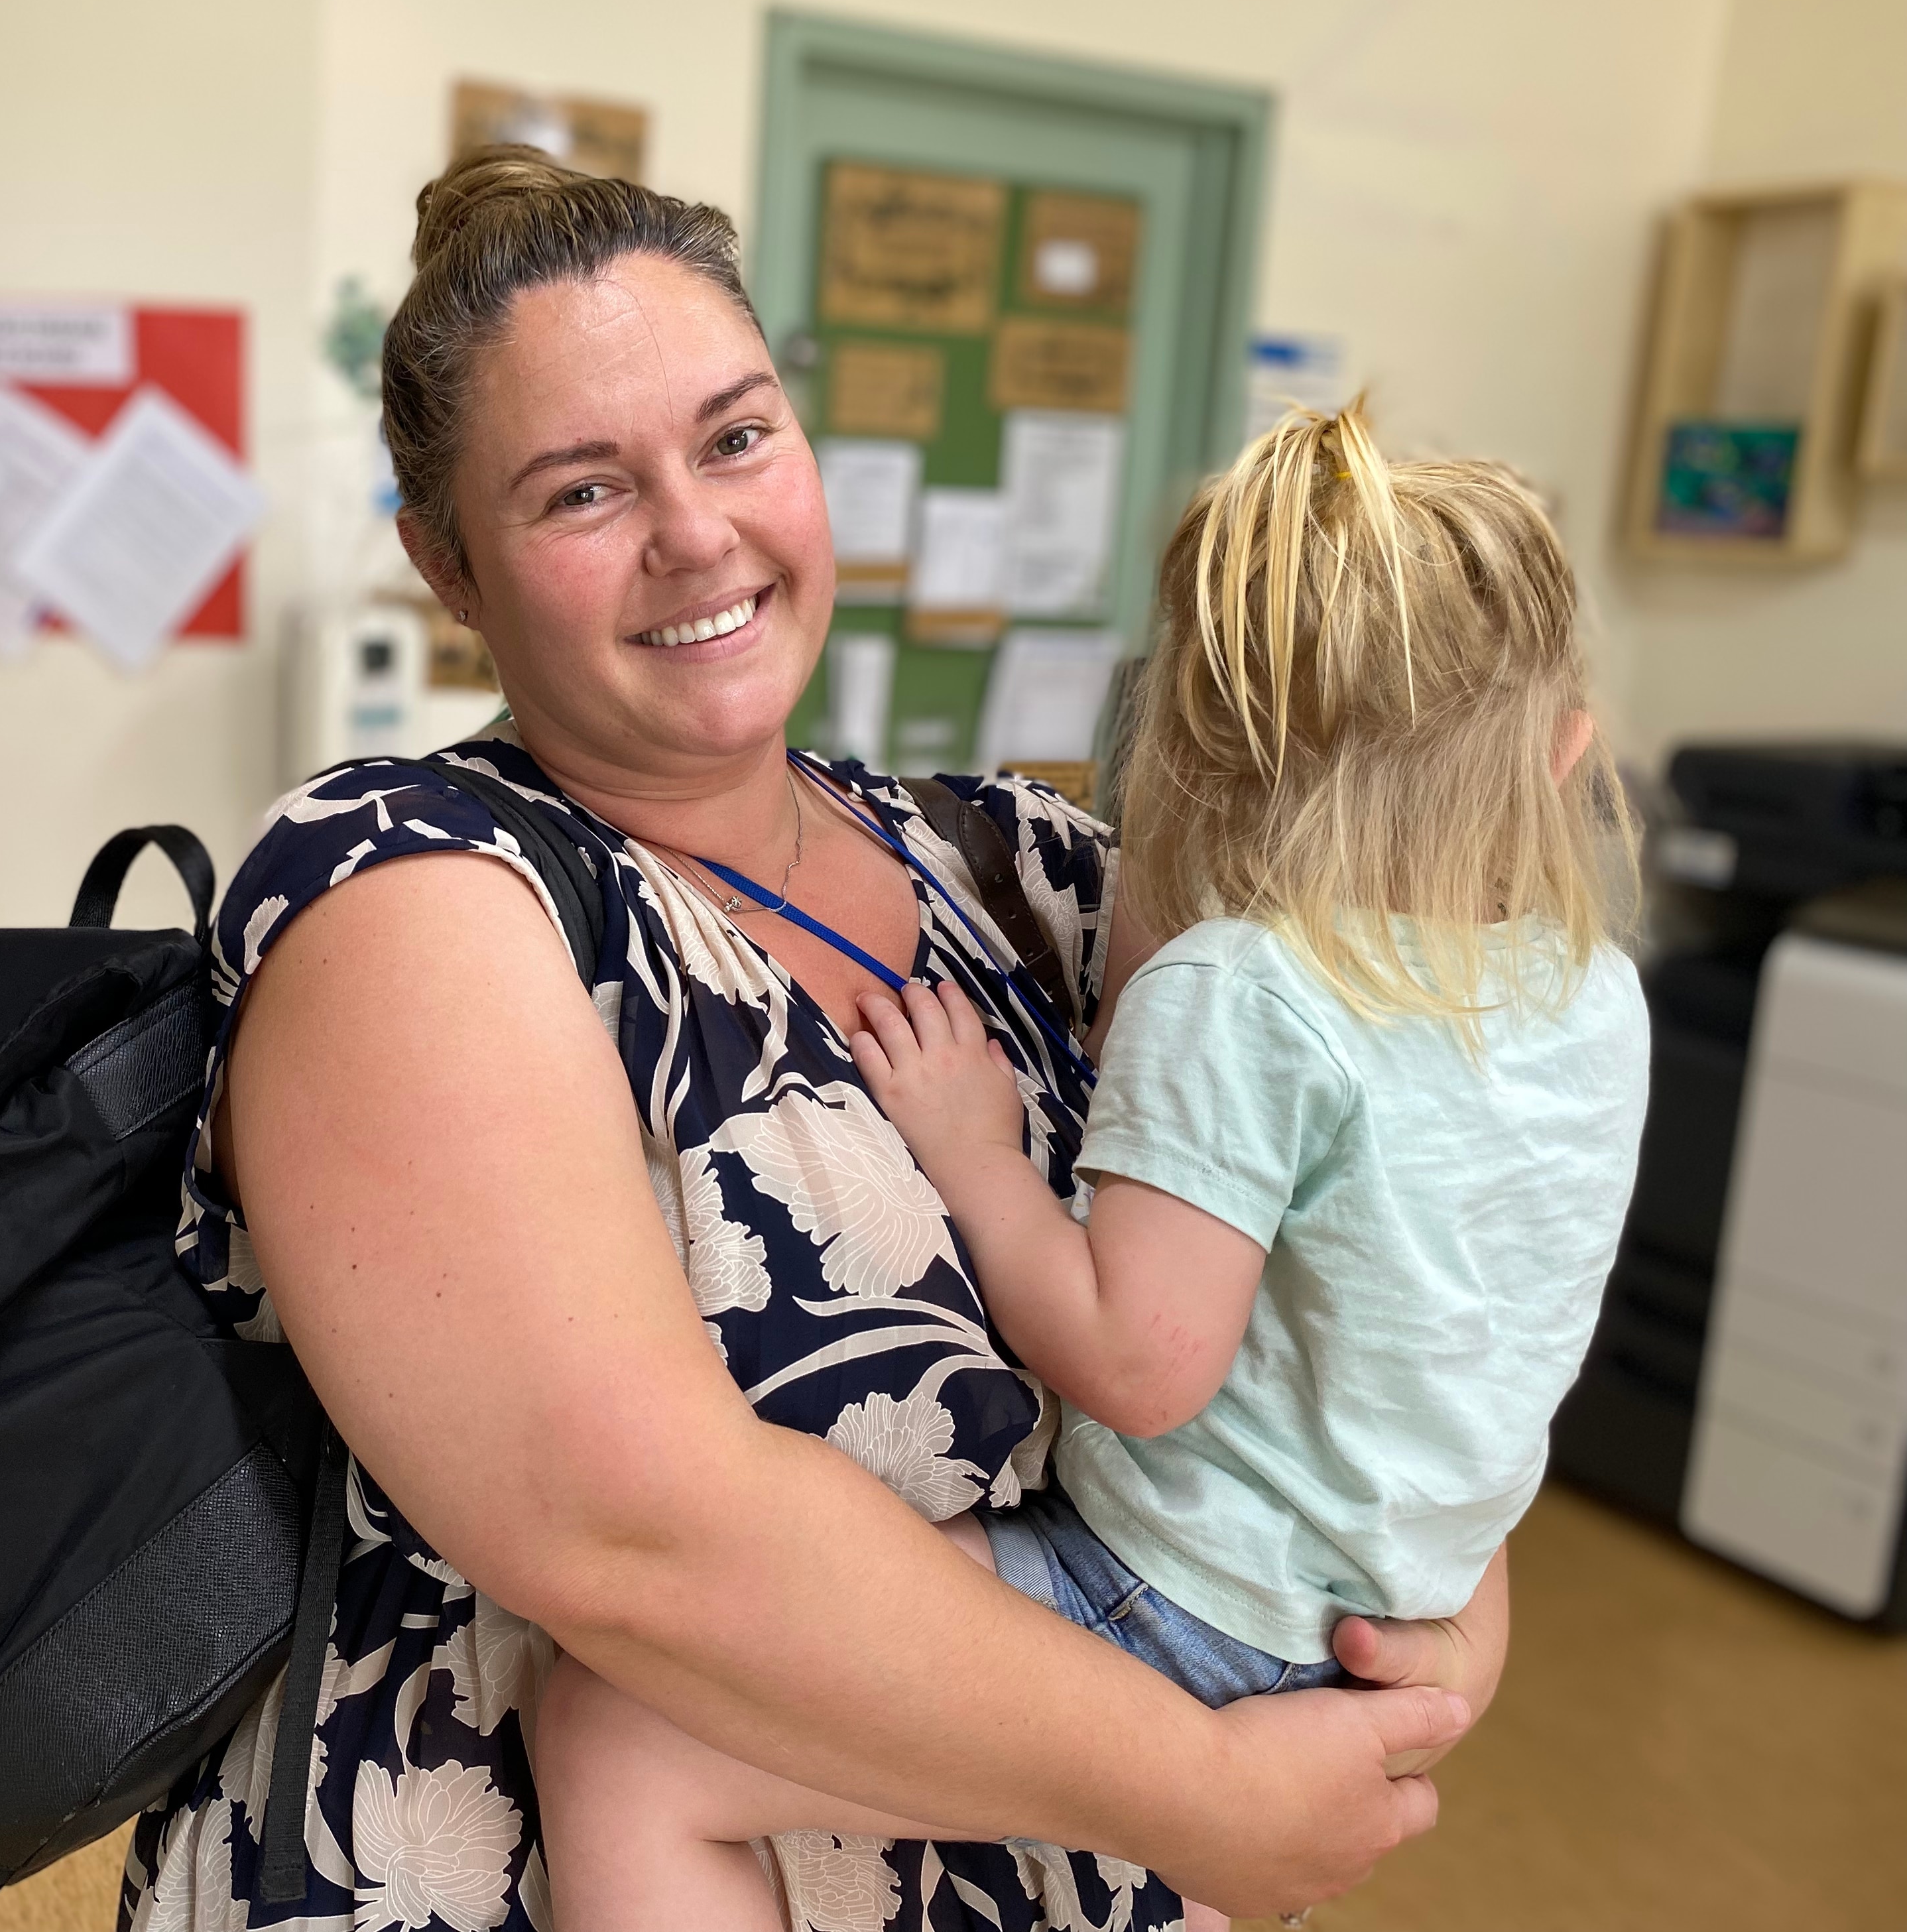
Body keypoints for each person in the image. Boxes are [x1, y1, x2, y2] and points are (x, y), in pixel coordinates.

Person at [121, 148, 1505, 1932]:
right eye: (579, 492)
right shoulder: (414, 901)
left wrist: (1434, 1618)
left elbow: (1379, 1268)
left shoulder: (1037, 877)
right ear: (448, 568)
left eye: (737, 437)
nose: (696, 534)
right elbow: (633, 1535)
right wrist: (1215, 1783)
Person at [530, 406, 1648, 1931]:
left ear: (1191, 743)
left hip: (1192, 1605)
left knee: (619, 1742)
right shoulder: (1587, 992)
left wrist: (976, 1156)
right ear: (1567, 748)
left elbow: (1141, 1362)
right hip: (1396, 1606)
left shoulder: (1249, 990)